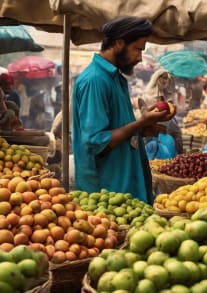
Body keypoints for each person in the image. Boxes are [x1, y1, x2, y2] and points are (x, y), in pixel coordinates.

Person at [72, 16, 168, 202]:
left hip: (124, 189)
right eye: (137, 49)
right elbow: (97, 142)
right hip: (106, 195)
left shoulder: (115, 78)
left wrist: (143, 128)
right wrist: (140, 122)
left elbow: (118, 129)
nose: (140, 57)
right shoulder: (95, 81)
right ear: (118, 43)